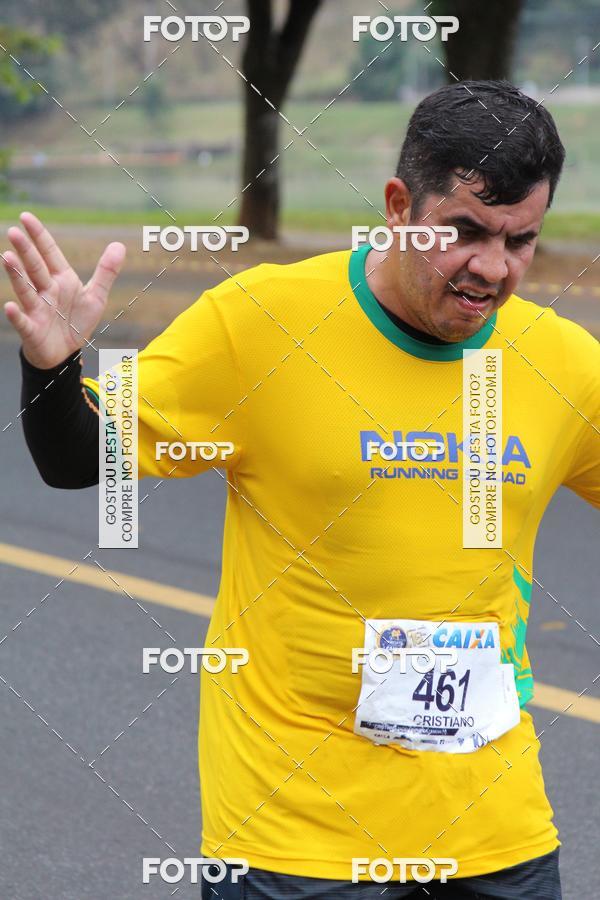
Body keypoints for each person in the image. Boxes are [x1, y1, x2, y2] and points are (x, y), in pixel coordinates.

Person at [6, 80, 598, 899]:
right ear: (398, 204)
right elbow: (77, 461)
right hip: (298, 841)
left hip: (496, 836)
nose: (491, 268)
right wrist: (52, 366)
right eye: (463, 231)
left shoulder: (563, 361)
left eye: (521, 241)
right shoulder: (263, 323)